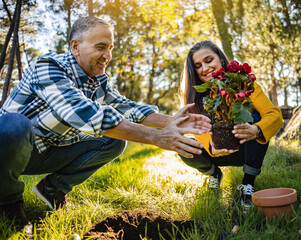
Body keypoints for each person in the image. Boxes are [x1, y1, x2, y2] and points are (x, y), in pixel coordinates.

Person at [0, 17, 211, 237]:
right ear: (75, 47)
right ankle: (8, 203)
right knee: (15, 124)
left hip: (46, 151)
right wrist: (157, 138)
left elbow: (129, 108)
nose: (108, 56)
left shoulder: (98, 81)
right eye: (100, 47)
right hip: (8, 150)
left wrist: (174, 122)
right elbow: (83, 113)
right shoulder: (48, 66)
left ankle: (53, 189)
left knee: (114, 139)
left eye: (110, 48)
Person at [178, 40, 283, 210]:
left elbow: (274, 116)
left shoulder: (246, 84)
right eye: (198, 65)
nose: (204, 68)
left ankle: (247, 184)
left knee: (256, 117)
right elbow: (197, 128)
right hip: (215, 151)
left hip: (244, 148)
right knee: (182, 144)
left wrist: (256, 130)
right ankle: (214, 173)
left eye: (209, 60)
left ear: (220, 58)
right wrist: (211, 146)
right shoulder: (195, 96)